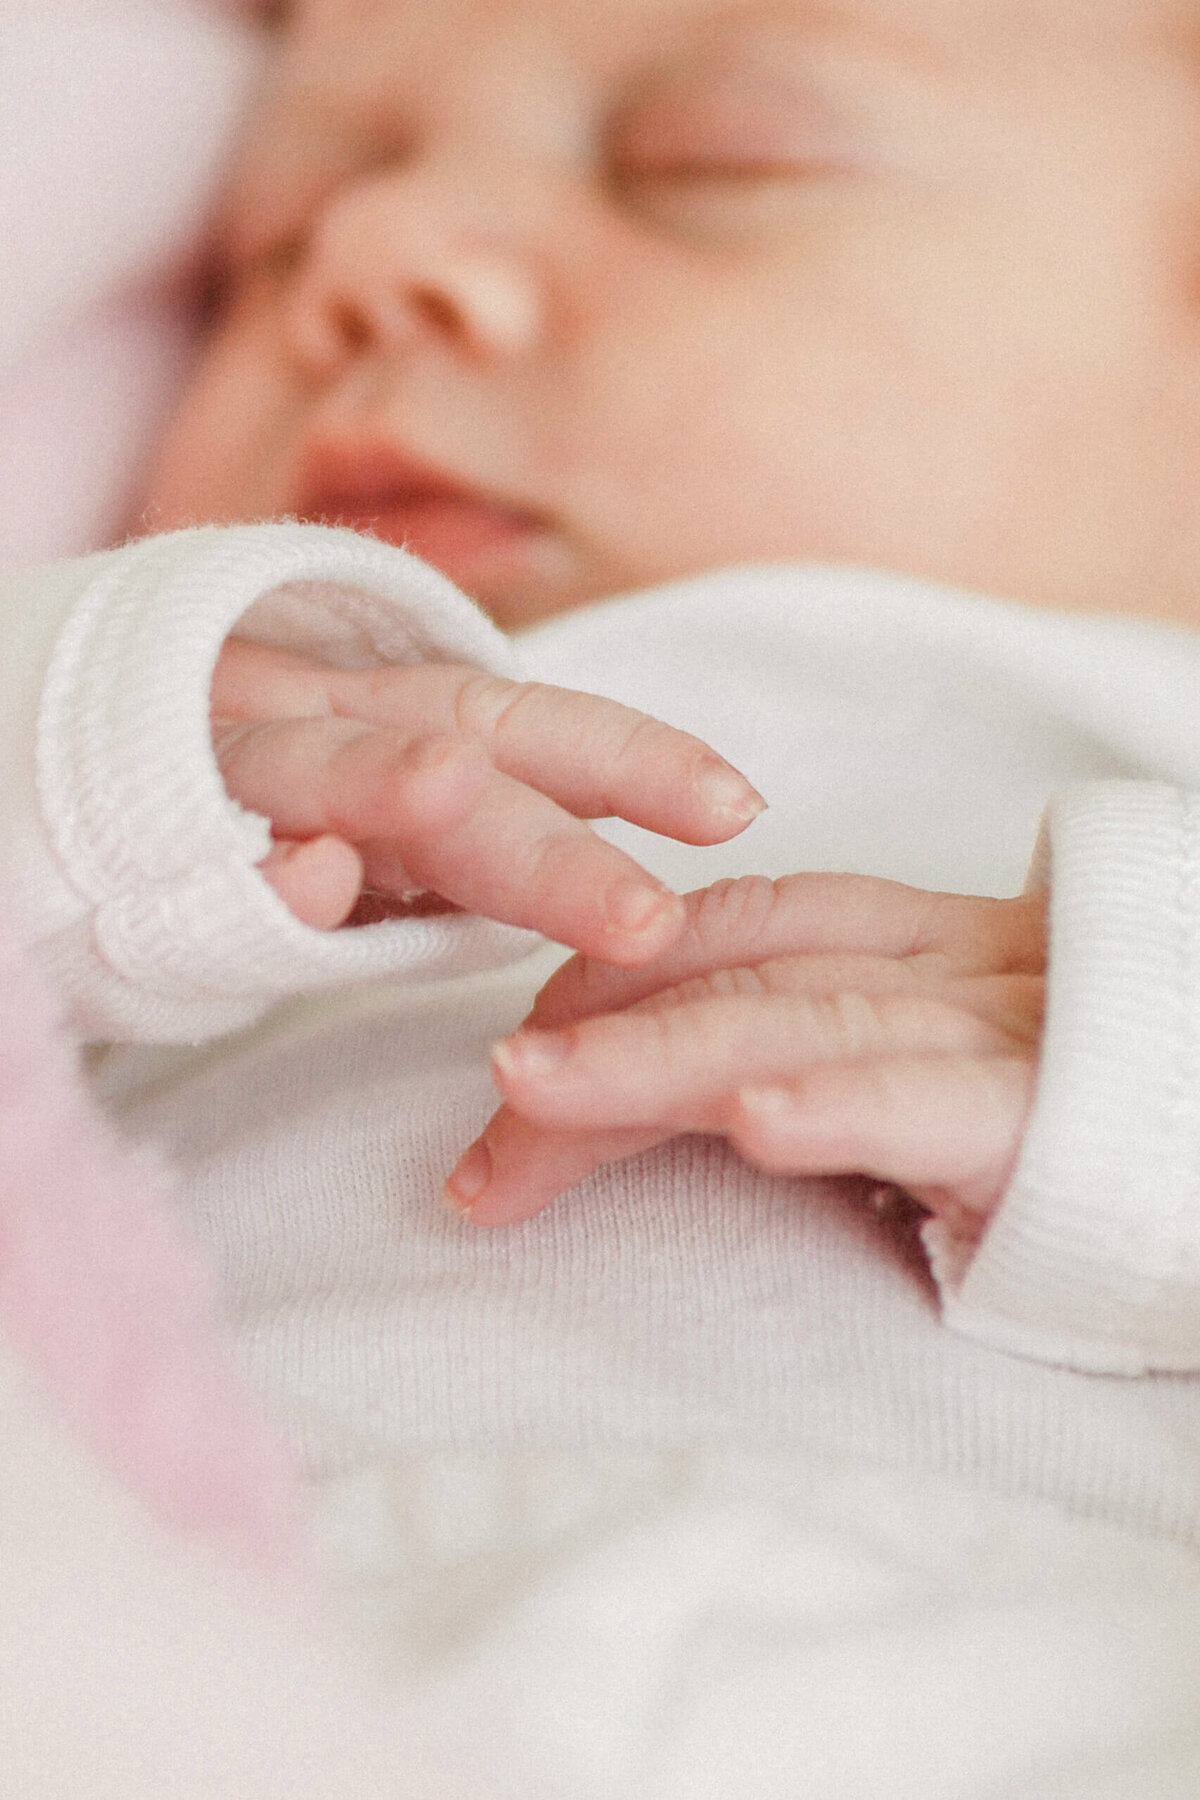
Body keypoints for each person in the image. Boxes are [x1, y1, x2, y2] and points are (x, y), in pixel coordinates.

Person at [7, 0, 1200, 1790]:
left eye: (711, 167)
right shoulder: (198, 734)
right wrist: (84, 733)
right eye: (271, 241)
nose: (375, 257)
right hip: (196, 1616)